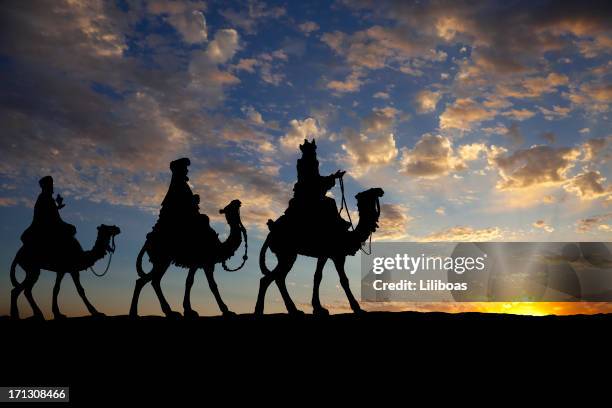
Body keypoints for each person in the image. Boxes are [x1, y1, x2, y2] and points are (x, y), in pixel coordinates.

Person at [285, 139, 350, 233]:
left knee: (329, 202)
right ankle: (336, 225)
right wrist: (334, 177)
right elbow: (313, 180)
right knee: (330, 202)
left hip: (309, 192)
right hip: (307, 193)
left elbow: (316, 178)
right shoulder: (305, 163)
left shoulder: (308, 163)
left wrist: (333, 177)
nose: (314, 153)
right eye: (312, 151)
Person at [21, 176, 77, 247]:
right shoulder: (45, 197)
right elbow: (48, 213)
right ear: (47, 186)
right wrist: (56, 207)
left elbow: (50, 210)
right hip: (46, 225)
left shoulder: (46, 197)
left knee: (71, 229)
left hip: (50, 223)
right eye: (51, 185)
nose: (52, 187)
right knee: (71, 229)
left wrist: (57, 207)